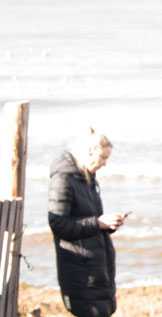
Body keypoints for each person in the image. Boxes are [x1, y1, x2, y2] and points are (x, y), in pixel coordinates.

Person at [48, 128, 126, 317]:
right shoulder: (63, 180)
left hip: (98, 266)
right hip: (81, 270)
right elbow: (58, 224)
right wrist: (98, 223)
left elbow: (88, 220)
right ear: (87, 153)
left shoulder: (88, 179)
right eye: (102, 158)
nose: (104, 164)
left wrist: (108, 224)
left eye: (107, 159)